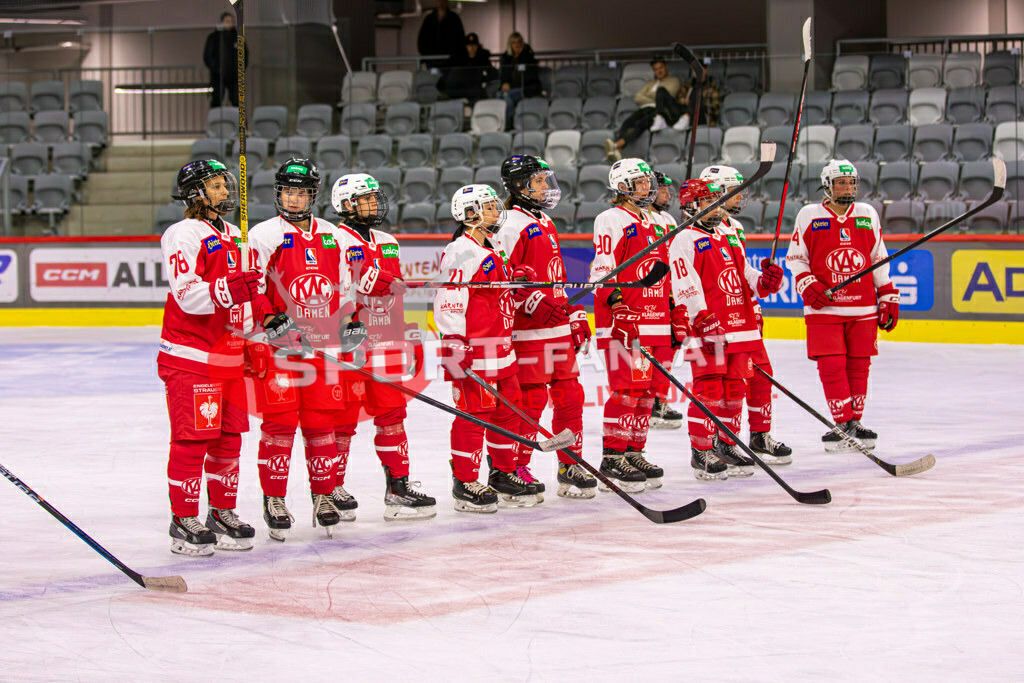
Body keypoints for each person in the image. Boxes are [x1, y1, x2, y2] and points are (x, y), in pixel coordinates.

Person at [158, 159, 264, 556]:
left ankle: (221, 512)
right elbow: (187, 294)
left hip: (228, 355)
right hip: (191, 355)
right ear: (195, 193)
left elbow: (245, 298)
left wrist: (253, 339)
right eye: (217, 186)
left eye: (225, 185)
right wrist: (232, 286)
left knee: (229, 438)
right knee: (193, 439)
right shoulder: (183, 233)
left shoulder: (237, 237)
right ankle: (182, 519)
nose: (225, 192)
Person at [246, 159, 350, 541]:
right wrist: (271, 320)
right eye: (288, 190)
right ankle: (274, 498)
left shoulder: (331, 235)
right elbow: (252, 289)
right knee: (280, 426)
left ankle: (323, 495)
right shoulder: (262, 235)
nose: (293, 198)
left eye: (301, 191)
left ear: (313, 194)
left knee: (323, 425)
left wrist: (347, 322)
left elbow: (342, 287)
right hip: (281, 349)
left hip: (323, 347)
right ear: (278, 192)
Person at [330, 173, 437, 521]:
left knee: (392, 417)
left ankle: (398, 488)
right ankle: (330, 488)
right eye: (366, 199)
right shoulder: (333, 238)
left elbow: (393, 294)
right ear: (346, 205)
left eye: (376, 197)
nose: (374, 204)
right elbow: (346, 286)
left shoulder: (388, 240)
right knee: (343, 420)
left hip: (388, 341)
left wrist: (407, 333)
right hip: (352, 343)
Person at [492, 155, 597, 499]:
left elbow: (555, 277)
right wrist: (533, 304)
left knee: (570, 397)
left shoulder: (544, 221)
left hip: (557, 331)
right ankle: (516, 467)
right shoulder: (509, 224)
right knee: (531, 400)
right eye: (538, 181)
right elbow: (502, 279)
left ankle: (569, 464)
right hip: (527, 332)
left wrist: (574, 313)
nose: (546, 187)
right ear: (520, 186)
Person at [434, 184, 543, 512]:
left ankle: (503, 472)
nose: (498, 212)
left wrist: (517, 282)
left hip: (503, 348)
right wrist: (454, 340)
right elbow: (450, 298)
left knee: (508, 411)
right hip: (477, 350)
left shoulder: (494, 249)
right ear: (470, 215)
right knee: (473, 415)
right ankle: (464, 481)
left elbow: (498, 295)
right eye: (489, 207)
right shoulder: (461, 251)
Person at [672, 179, 783, 481]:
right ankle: (701, 450)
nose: (718, 207)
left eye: (719, 202)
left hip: (741, 325)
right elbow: (684, 284)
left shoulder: (727, 234)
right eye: (710, 202)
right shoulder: (684, 238)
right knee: (708, 389)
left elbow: (745, 274)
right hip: (709, 328)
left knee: (736, 389)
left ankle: (727, 442)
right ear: (691, 206)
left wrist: (764, 281)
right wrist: (701, 318)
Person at [787, 160, 899, 451]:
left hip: (863, 308)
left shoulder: (866, 213)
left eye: (851, 182)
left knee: (860, 366)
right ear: (827, 185)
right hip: (825, 309)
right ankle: (842, 421)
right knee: (832, 365)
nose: (847, 187)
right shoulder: (809, 215)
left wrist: (887, 293)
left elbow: (878, 258)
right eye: (841, 182)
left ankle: (855, 422)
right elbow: (797, 258)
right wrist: (808, 284)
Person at [698, 165, 792, 465]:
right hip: (714, 321)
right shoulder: (694, 230)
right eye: (733, 190)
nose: (740, 196)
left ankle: (758, 435)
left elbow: (742, 273)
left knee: (761, 376)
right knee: (717, 386)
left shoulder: (734, 228)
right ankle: (714, 440)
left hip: (744, 319)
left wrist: (762, 281)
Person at [588, 159, 670, 492]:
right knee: (626, 391)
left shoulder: (663, 221)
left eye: (648, 181)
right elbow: (602, 270)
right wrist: (618, 306)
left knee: (647, 394)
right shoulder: (611, 219)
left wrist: (676, 313)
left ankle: (634, 451)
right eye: (638, 183)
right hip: (626, 322)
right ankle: (612, 457)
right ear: (621, 186)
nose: (646, 188)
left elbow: (670, 272)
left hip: (657, 322)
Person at [645, 170, 685, 430]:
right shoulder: (641, 219)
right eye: (662, 189)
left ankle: (658, 399)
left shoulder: (669, 219)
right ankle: (645, 401)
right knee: (647, 353)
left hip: (670, 295)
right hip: (648, 297)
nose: (667, 195)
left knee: (669, 348)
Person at [605, 59, 687, 162]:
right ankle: (619, 149)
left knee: (642, 123)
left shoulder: (673, 80)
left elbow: (668, 95)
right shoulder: (651, 83)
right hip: (645, 108)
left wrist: (649, 95)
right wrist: (653, 96)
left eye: (661, 68)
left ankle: (617, 145)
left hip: (659, 110)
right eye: (656, 69)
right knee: (627, 122)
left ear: (665, 67)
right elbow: (638, 98)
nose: (659, 71)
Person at [203, 11, 248, 108]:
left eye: (231, 21)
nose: (229, 23)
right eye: (227, 21)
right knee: (217, 101)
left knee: (237, 102)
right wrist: (216, 69)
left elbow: (245, 55)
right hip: (218, 76)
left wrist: (240, 69)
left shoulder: (238, 37)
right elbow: (208, 56)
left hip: (235, 76)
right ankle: (216, 122)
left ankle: (240, 123)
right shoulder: (214, 37)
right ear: (221, 22)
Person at [498, 32, 542, 129]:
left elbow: (528, 78)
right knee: (500, 95)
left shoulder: (528, 57)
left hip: (526, 88)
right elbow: (503, 76)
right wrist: (504, 84)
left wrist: (510, 86)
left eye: (518, 42)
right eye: (514, 43)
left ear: (522, 43)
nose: (516, 45)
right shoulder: (506, 59)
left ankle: (509, 122)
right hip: (510, 89)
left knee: (506, 95)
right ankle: (506, 122)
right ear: (510, 44)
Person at [441, 32, 497, 103]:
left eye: (474, 45)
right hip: (460, 87)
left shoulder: (482, 57)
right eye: (469, 45)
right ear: (466, 46)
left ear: (477, 46)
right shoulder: (459, 57)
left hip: (476, 88)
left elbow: (490, 71)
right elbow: (447, 69)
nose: (472, 48)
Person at [417, 0, 466, 70]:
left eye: (443, 0)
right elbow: (421, 40)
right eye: (438, 0)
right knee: (433, 79)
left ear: (447, 2)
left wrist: (456, 57)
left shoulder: (454, 19)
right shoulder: (429, 19)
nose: (441, 3)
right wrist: (426, 56)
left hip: (450, 62)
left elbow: (461, 40)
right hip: (432, 61)